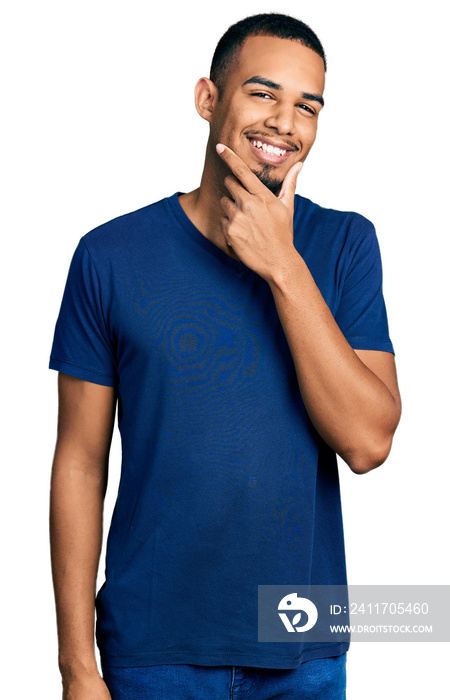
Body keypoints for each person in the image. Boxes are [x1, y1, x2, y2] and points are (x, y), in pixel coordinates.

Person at [49, 13, 401, 700]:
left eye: (308, 106)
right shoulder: (109, 257)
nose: (284, 123)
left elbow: (367, 442)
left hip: (303, 649)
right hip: (153, 650)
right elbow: (80, 463)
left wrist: (284, 266)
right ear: (209, 99)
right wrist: (75, 667)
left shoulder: (345, 245)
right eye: (263, 93)